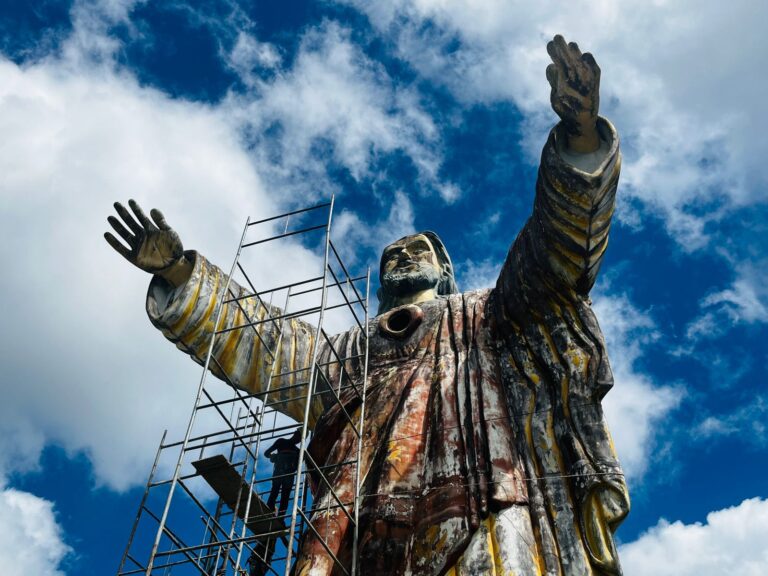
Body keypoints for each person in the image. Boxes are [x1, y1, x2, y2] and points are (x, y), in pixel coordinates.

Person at [106, 36, 630, 575]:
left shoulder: (489, 315)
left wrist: (580, 134)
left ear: (445, 274)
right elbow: (262, 342)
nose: (403, 255)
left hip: (479, 507)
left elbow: (556, 252)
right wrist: (178, 272)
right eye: (392, 255)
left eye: (417, 250)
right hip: (353, 531)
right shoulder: (347, 353)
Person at [264, 429, 302, 517]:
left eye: (300, 440)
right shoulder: (281, 442)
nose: (299, 441)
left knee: (285, 497)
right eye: (299, 438)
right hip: (279, 471)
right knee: (275, 491)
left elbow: (297, 467)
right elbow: (266, 453)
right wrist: (274, 456)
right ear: (295, 434)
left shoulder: (298, 451)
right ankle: (270, 510)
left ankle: (281, 517)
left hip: (288, 474)